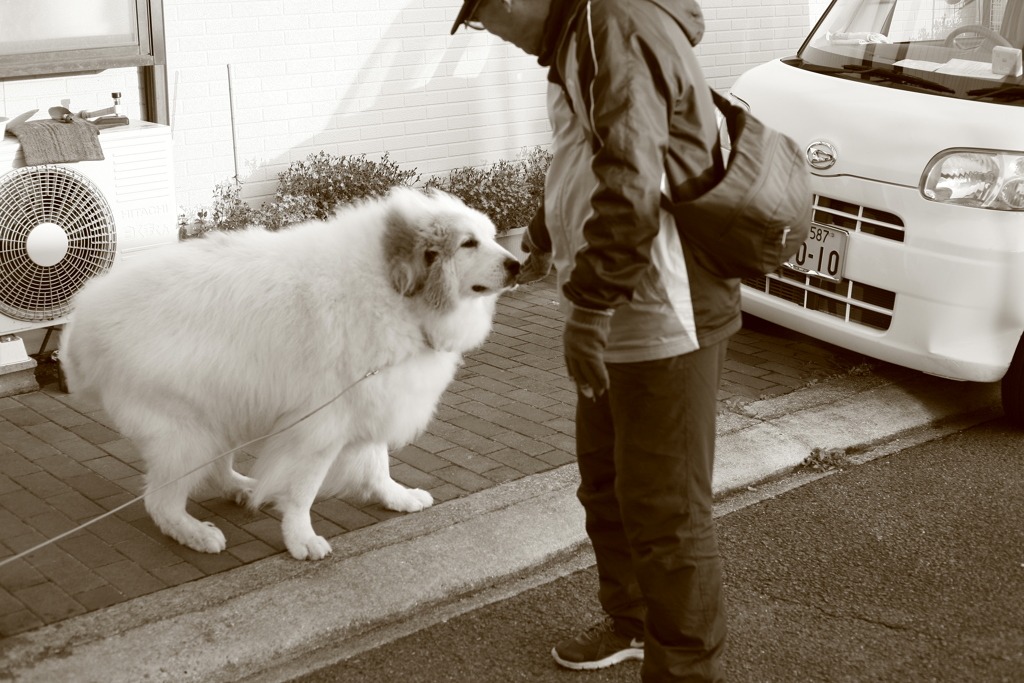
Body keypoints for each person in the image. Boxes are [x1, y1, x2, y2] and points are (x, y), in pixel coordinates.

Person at [451, 0, 740, 681]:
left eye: (488, 18)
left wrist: (588, 309)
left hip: (665, 312)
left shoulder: (612, 25)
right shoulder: (578, 38)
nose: (497, 35)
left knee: (668, 511)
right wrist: (542, 237)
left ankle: (685, 668)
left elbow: (635, 173)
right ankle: (634, 624)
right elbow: (587, 159)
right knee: (608, 486)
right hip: (621, 308)